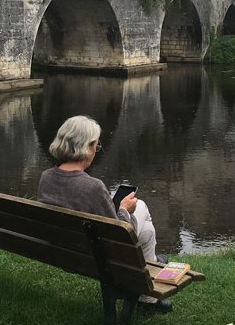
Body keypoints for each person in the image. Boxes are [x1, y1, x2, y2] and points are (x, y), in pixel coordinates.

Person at [37, 115, 172, 313]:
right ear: (87, 146)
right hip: (96, 259)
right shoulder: (93, 187)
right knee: (141, 207)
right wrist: (124, 209)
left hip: (62, 251)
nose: (95, 152)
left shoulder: (46, 177)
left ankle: (149, 267)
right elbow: (121, 235)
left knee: (147, 231)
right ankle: (147, 296)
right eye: (95, 146)